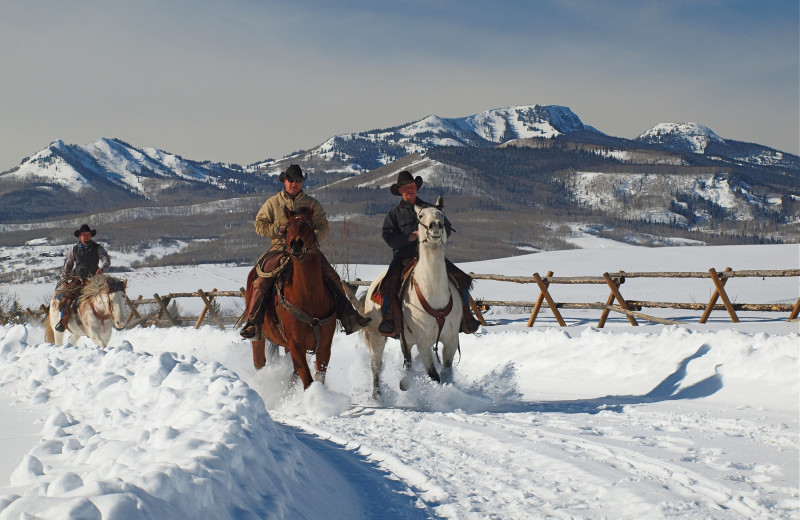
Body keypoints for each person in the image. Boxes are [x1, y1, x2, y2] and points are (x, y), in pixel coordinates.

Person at [240, 164, 371, 339]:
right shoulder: (273, 203)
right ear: (284, 181)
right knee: (262, 279)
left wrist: (309, 238)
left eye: (298, 180)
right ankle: (253, 321)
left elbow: (323, 227)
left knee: (332, 276)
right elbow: (259, 225)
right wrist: (277, 229)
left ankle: (348, 316)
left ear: (302, 182)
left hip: (308, 250)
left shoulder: (312, 204)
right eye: (291, 180)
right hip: (280, 248)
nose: (294, 184)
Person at [378, 170, 481, 336]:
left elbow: (446, 227)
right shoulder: (394, 214)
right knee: (388, 284)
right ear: (400, 191)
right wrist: (410, 237)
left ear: (416, 188)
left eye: (412, 186)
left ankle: (467, 317)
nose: (410, 190)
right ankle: (388, 319)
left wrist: (436, 235)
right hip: (404, 256)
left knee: (461, 279)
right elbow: (388, 236)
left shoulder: (431, 209)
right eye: (406, 188)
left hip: (432, 255)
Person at [54, 223, 111, 332]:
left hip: (94, 279)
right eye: (84, 234)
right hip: (78, 278)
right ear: (79, 236)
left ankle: (109, 318)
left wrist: (102, 268)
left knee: (108, 294)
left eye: (88, 234)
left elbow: (106, 260)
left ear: (91, 235)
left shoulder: (97, 248)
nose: (86, 236)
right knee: (67, 296)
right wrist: (65, 280)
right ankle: (63, 321)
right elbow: (68, 265)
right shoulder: (74, 249)